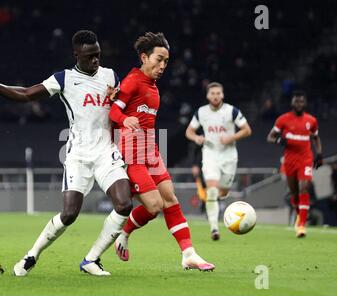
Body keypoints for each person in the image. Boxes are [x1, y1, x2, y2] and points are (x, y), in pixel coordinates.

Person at [0, 30, 132, 276]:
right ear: (76, 54)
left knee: (124, 204)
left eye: (98, 55)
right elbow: (27, 94)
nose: (95, 60)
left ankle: (91, 259)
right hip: (78, 155)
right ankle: (31, 256)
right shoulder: (64, 79)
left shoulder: (111, 76)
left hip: (106, 153)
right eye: (90, 56)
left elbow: (125, 105)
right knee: (69, 214)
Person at [109, 32, 214, 271]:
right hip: (131, 154)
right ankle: (123, 234)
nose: (162, 65)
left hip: (151, 152)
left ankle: (189, 254)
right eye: (159, 59)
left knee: (170, 199)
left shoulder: (154, 88)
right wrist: (124, 120)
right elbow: (114, 112)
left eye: (166, 61)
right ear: (144, 57)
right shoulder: (132, 80)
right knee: (154, 207)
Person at [186, 82, 252, 241]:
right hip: (210, 155)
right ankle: (214, 228)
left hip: (229, 156)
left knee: (223, 192)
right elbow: (189, 131)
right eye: (212, 93)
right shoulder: (201, 112)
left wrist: (232, 137)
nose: (215, 96)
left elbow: (247, 130)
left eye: (218, 93)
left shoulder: (232, 111)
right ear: (208, 96)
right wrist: (197, 138)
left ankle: (219, 203)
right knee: (212, 190)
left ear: (222, 95)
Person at [267, 91, 323, 237]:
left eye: (301, 102)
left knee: (304, 188)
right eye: (296, 101)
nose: (299, 104)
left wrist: (319, 154)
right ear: (292, 103)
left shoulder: (311, 120)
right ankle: (300, 216)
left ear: (304, 104)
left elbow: (316, 138)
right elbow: (270, 137)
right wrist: (280, 140)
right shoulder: (283, 120)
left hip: (305, 159)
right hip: (290, 160)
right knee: (294, 194)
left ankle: (302, 225)